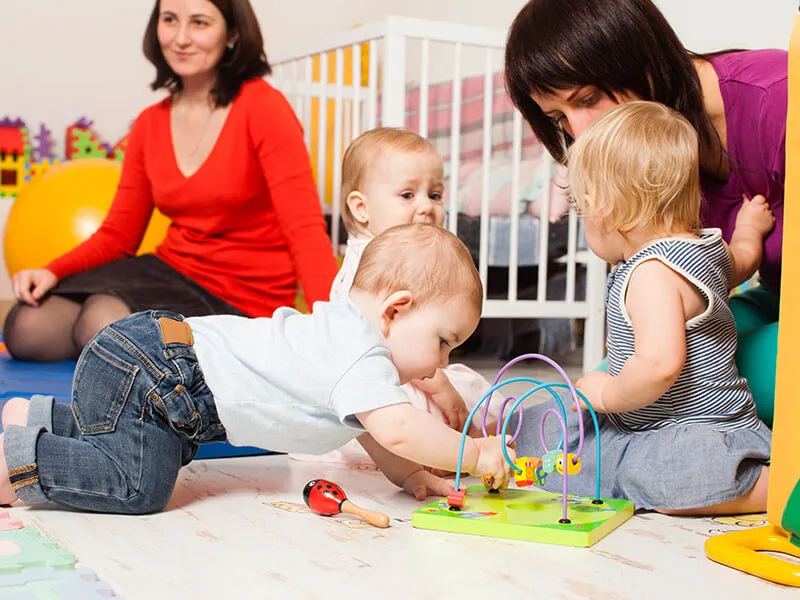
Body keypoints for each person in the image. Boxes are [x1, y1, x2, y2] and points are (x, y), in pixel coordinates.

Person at [0, 223, 515, 513]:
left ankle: (38, 418)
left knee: (150, 447)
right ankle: (17, 463)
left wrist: (412, 478)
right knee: (141, 485)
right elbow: (399, 428)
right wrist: (474, 453)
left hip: (150, 363)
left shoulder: (343, 338)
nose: (441, 363)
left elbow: (375, 437)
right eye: (443, 342)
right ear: (395, 310)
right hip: (159, 372)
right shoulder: (360, 352)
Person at [4, 0, 338, 362]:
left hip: (242, 296)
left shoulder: (264, 108)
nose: (181, 38)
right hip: (171, 268)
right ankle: (126, 360)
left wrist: (334, 332)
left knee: (101, 321)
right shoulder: (150, 123)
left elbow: (304, 229)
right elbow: (118, 234)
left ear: (233, 34)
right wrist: (52, 271)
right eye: (169, 20)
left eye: (199, 23)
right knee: (26, 326)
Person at [504, 0, 786, 427]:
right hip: (776, 297)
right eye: (559, 117)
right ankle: (519, 435)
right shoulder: (647, 161)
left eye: (589, 98)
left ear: (643, 60)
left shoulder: (779, 99)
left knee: (686, 384)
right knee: (619, 373)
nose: (579, 133)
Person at [508, 102, 773, 515]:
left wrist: (608, 393)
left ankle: (777, 486)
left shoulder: (651, 274)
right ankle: (494, 435)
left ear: (599, 207)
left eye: (579, 209)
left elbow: (659, 365)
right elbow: (745, 259)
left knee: (657, 476)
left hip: (693, 432)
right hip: (648, 421)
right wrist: (749, 229)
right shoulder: (707, 247)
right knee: (552, 421)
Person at [291, 128, 501, 468]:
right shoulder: (366, 270)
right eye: (407, 195)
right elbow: (389, 348)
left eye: (434, 195)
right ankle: (444, 451)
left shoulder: (403, 256)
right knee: (430, 406)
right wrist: (440, 388)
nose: (426, 208)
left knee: (474, 387)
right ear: (361, 208)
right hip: (380, 378)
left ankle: (473, 437)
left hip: (412, 368)